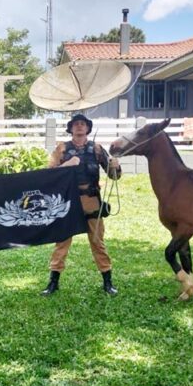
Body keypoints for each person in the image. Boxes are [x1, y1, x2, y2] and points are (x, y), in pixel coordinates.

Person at [42, 113, 122, 296]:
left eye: (83, 124)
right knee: (62, 242)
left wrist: (115, 166)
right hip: (68, 202)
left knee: (97, 242)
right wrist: (68, 164)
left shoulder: (97, 149)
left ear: (87, 128)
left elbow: (114, 176)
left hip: (92, 201)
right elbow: (50, 174)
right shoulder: (62, 149)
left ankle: (108, 282)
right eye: (76, 124)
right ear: (71, 128)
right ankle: (53, 283)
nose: (79, 126)